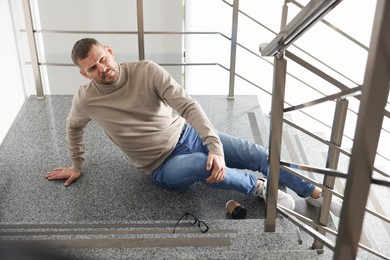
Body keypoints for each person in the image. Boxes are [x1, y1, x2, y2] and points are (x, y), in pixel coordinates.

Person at [45, 38, 341, 215]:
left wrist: (214, 145)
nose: (102, 69)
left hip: (187, 134)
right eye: (92, 68)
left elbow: (188, 106)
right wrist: (77, 164)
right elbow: (73, 127)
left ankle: (311, 191)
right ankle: (262, 188)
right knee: (203, 165)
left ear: (109, 50)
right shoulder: (87, 99)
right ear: (84, 74)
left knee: (254, 152)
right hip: (161, 165)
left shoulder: (147, 71)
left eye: (102, 59)